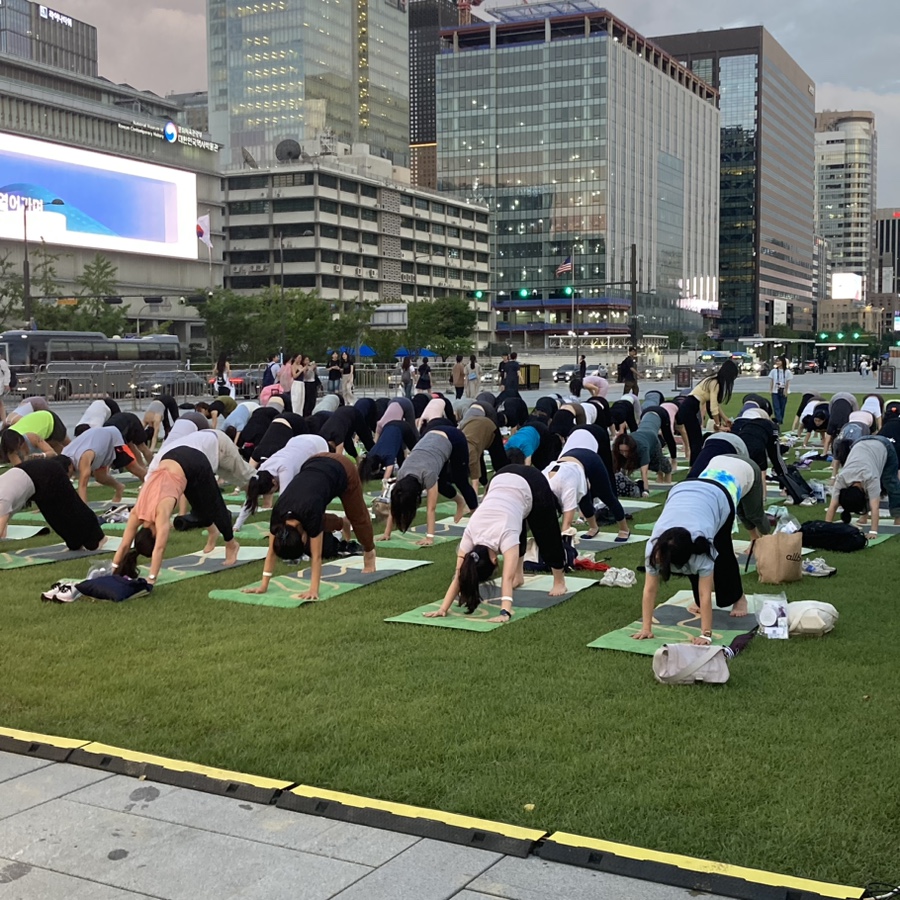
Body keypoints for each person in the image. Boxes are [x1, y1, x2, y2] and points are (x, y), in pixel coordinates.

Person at [632, 460, 766, 645]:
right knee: (698, 577)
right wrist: (646, 628)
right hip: (682, 490)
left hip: (719, 497)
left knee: (723, 551)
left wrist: (706, 634)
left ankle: (738, 597)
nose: (657, 560)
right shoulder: (655, 548)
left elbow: (706, 594)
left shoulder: (702, 551)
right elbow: (649, 589)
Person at [425, 465, 567, 623]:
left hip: (532, 482)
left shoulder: (505, 535)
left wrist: (505, 612)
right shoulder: (470, 534)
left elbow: (506, 577)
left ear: (494, 561)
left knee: (547, 535)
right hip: (500, 478)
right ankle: (520, 578)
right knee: (515, 524)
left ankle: (559, 581)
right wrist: (443, 608)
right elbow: (459, 574)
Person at [243, 453, 377, 600]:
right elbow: (272, 552)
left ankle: (370, 552)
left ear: (302, 535)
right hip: (312, 462)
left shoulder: (310, 514)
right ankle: (341, 523)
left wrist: (313, 590)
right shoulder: (278, 516)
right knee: (315, 523)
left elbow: (316, 557)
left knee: (357, 517)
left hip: (343, 468)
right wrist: (263, 585)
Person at [112, 446, 241, 585]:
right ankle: (213, 531)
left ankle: (231, 544)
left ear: (154, 536)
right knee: (197, 507)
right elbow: (124, 545)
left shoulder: (160, 515)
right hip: (171, 457)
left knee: (214, 505)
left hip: (193, 461)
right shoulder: (136, 513)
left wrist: (151, 578)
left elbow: (159, 549)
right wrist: (112, 571)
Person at [381, 425, 479, 545]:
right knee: (442, 485)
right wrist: (387, 533)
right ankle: (460, 502)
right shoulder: (402, 474)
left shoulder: (428, 475)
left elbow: (431, 509)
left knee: (461, 481)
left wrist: (429, 537)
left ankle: (477, 518)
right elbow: (394, 506)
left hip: (453, 438)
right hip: (431, 440)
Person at [0, 457, 105, 550]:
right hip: (33, 478)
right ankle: (75, 541)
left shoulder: (3, 501)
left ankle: (98, 536)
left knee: (70, 506)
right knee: (53, 516)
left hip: (47, 471)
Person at [237, 433, 329, 527]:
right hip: (296, 441)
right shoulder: (262, 471)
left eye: (271, 492)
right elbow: (250, 499)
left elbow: (284, 501)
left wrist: (276, 528)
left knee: (313, 485)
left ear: (274, 482)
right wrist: (237, 525)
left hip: (317, 445)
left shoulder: (285, 468)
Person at [543, 451, 629, 540]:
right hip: (568, 463)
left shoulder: (568, 487)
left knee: (606, 496)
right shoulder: (540, 485)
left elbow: (566, 526)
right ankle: (594, 527)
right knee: (583, 499)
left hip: (590, 459)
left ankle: (624, 529)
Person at [826, 435, 900, 538]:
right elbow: (833, 506)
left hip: (884, 445)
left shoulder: (870, 478)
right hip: (859, 442)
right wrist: (826, 529)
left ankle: (898, 518)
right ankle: (863, 518)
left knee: (891, 483)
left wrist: (873, 532)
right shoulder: (841, 479)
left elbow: (875, 507)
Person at [57, 425, 146, 502]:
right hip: (100, 446)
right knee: (100, 477)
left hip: (113, 439)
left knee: (133, 468)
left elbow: (82, 486)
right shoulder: (64, 454)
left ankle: (150, 481)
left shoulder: (83, 459)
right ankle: (119, 487)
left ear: (70, 467)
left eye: (68, 475)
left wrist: (84, 513)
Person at [676, 361, 738, 464]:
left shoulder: (712, 381)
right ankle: (694, 467)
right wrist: (718, 425)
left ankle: (694, 466)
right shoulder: (715, 383)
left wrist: (725, 418)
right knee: (696, 442)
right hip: (689, 408)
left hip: (689, 407)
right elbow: (713, 408)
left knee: (696, 441)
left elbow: (715, 405)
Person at [612, 409, 673, 494]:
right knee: (626, 464)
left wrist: (646, 490)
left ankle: (666, 475)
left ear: (631, 448)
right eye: (621, 451)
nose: (624, 454)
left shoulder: (642, 448)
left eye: (626, 451)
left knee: (656, 464)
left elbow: (644, 472)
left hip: (652, 440)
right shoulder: (616, 450)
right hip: (640, 437)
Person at [357, 418, 419, 484]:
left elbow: (386, 479)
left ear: (379, 465)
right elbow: (364, 465)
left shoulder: (388, 455)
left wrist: (383, 493)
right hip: (388, 425)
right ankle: (403, 474)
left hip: (403, 427)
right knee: (397, 450)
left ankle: (419, 471)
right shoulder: (371, 455)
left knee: (416, 450)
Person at [0, 410, 69, 465]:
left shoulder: (31, 437)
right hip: (35, 424)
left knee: (65, 446)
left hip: (48, 420)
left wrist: (42, 455)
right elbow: (20, 468)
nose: (18, 452)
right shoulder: (9, 447)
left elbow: (53, 453)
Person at [769, 355, 792, 427]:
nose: (777, 362)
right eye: (777, 361)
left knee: (782, 406)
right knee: (776, 406)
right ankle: (778, 420)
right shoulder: (774, 371)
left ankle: (780, 419)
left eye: (779, 361)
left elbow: (788, 382)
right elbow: (772, 381)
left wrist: (786, 390)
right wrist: (771, 389)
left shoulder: (787, 372)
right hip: (775, 390)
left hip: (783, 390)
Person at [0, 351, 10, 423]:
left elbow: (7, 372)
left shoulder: (2, 362)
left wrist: (6, 383)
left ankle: (4, 420)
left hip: (0, 384)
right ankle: (4, 420)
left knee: (0, 404)